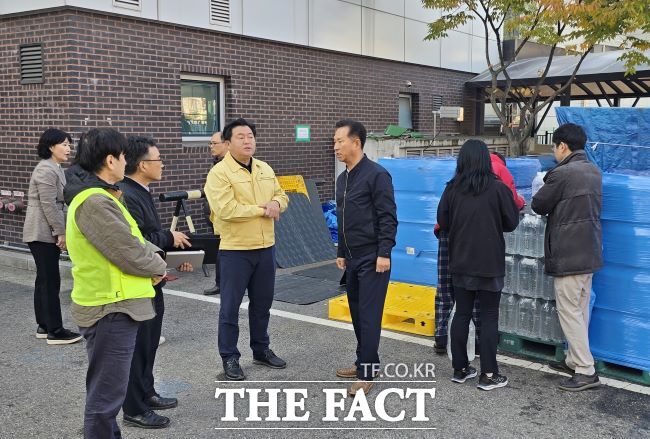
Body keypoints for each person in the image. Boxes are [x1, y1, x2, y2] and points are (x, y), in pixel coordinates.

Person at [65, 128, 167, 439]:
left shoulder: (106, 196)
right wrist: (158, 266)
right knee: (106, 397)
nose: (126, 162)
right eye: (123, 156)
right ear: (111, 160)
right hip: (110, 307)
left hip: (115, 304)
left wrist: (154, 257)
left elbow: (135, 240)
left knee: (108, 392)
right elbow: (128, 251)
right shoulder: (95, 201)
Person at [204, 118, 289, 381]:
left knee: (262, 305)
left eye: (250, 136)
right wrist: (263, 209)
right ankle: (229, 357)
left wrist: (276, 203)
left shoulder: (264, 168)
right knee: (230, 308)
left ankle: (261, 350)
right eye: (240, 137)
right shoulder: (219, 173)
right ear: (228, 143)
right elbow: (225, 210)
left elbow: (282, 196)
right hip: (235, 250)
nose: (247, 140)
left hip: (266, 248)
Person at [119, 136, 193, 429]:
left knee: (149, 343)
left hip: (152, 280)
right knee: (138, 347)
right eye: (158, 159)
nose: (162, 164)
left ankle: (147, 392)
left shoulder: (140, 191)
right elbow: (138, 241)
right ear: (141, 165)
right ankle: (134, 408)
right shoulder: (127, 195)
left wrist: (171, 256)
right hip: (139, 284)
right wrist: (169, 237)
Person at [437, 139, 519, 391]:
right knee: (489, 315)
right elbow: (511, 223)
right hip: (490, 262)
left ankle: (460, 369)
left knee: (462, 313)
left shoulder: (451, 189)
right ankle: (489, 374)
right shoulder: (498, 189)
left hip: (460, 260)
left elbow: (443, 222)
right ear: (486, 160)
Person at [531, 123, 602, 392]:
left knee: (569, 311)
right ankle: (574, 360)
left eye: (554, 146)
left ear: (562, 146)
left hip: (569, 253)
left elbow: (539, 205)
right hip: (589, 250)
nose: (554, 151)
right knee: (580, 309)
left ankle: (585, 369)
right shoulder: (593, 171)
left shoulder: (561, 173)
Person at [333, 119, 397, 396]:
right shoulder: (343, 178)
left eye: (340, 141)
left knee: (370, 316)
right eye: (334, 142)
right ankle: (364, 361)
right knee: (358, 314)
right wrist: (341, 251)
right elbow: (343, 219)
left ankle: (367, 372)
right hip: (352, 258)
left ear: (356, 142)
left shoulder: (377, 175)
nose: (335, 147)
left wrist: (384, 253)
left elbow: (388, 217)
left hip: (373, 258)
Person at [22, 128, 82, 345]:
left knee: (44, 280)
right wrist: (61, 232)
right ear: (50, 147)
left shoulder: (55, 168)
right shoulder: (46, 170)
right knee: (50, 281)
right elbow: (49, 205)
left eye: (69, 144)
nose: (68, 148)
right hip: (41, 232)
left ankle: (44, 325)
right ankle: (55, 331)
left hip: (44, 231)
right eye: (64, 144)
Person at [203, 131, 229, 296]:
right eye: (210, 143)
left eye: (214, 143)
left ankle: (222, 284)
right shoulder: (217, 163)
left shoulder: (228, 165)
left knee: (224, 250)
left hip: (225, 217)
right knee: (222, 249)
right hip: (215, 216)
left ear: (226, 144)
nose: (211, 147)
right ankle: (221, 283)